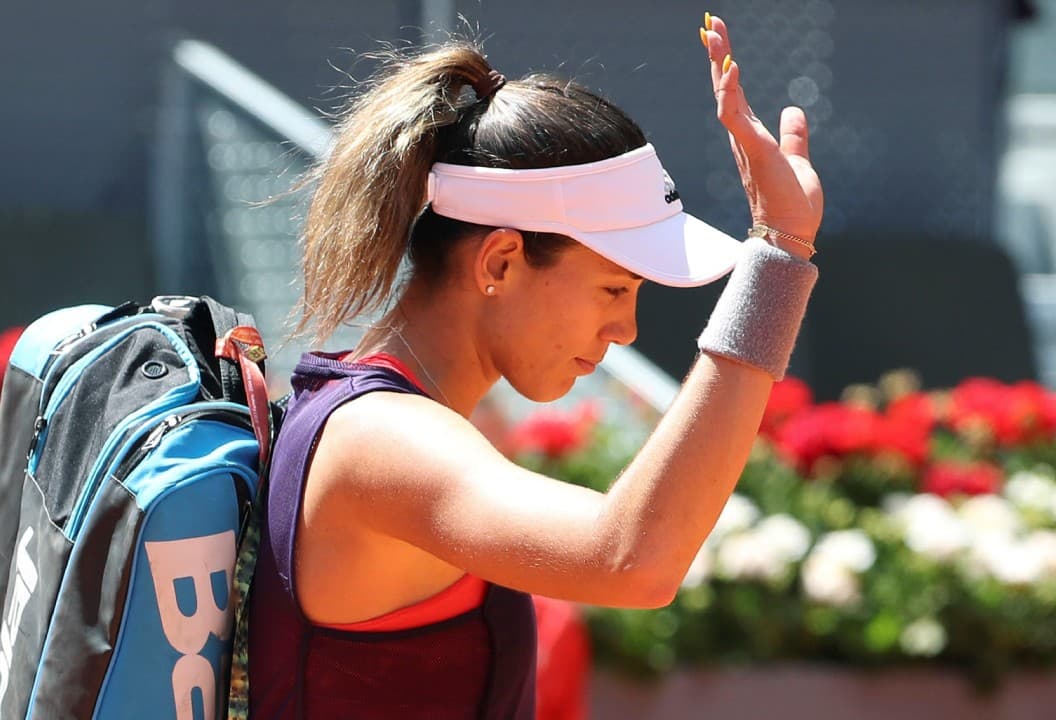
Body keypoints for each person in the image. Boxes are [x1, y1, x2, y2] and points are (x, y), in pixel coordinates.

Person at [247, 13, 822, 718]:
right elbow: (631, 560)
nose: (626, 329)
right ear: (500, 261)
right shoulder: (380, 440)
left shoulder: (384, 419)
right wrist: (780, 253)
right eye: (614, 288)